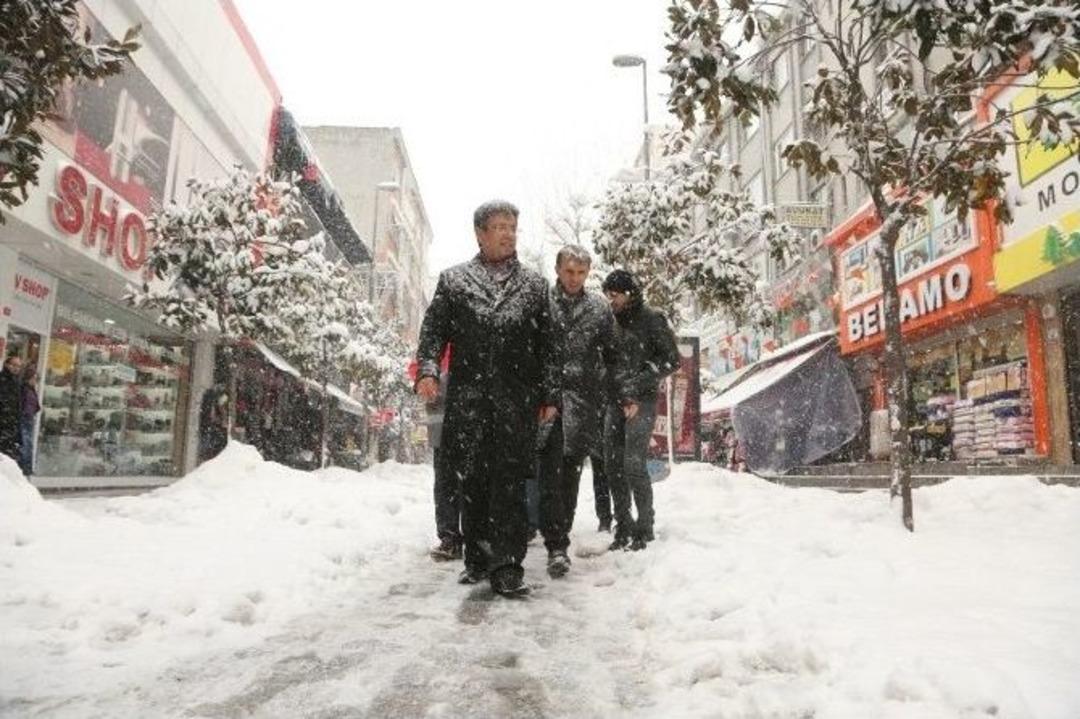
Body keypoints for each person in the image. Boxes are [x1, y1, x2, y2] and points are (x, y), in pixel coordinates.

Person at [415, 200, 559, 597]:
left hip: (515, 402)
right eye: (499, 226)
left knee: (510, 485)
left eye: (512, 226)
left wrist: (549, 392)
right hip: (469, 402)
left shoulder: (533, 285)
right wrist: (427, 371)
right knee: (473, 483)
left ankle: (508, 565)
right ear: (479, 233)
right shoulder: (454, 281)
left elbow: (549, 345)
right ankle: (477, 559)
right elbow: (432, 335)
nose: (508, 233)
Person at [537, 244, 619, 578]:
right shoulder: (541, 302)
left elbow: (613, 356)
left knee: (569, 477)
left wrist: (617, 392)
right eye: (569, 271)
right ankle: (552, 541)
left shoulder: (599, 310)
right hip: (546, 402)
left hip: (584, 405)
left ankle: (560, 542)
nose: (574, 278)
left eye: (581, 273)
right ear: (558, 270)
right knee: (547, 478)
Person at [602, 269, 680, 551]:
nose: (612, 301)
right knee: (612, 465)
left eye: (616, 295)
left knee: (633, 463)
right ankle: (622, 526)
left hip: (643, 400)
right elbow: (606, 362)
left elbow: (672, 360)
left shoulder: (651, 318)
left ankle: (644, 527)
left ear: (629, 293)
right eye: (608, 295)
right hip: (614, 400)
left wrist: (637, 384)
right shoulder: (608, 321)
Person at [426, 348, 463, 561]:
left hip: (469, 417)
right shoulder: (436, 339)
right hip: (441, 422)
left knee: (469, 480)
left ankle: (475, 536)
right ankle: (449, 537)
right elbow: (418, 368)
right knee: (445, 481)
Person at [0, 354, 24, 466]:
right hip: (3, 425)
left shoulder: (17, 383)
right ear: (6, 364)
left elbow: (17, 406)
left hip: (11, 427)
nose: (16, 368)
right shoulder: (2, 381)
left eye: (19, 366)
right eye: (14, 365)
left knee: (8, 461)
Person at [19, 365, 41, 475]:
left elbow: (35, 405)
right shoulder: (24, 389)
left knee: (28, 444)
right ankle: (24, 468)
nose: (35, 381)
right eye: (34, 378)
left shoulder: (30, 389)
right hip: (24, 418)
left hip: (28, 418)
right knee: (25, 444)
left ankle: (26, 468)